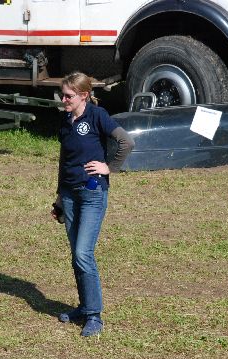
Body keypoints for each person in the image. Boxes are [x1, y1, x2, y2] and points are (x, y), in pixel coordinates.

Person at [51, 72, 134, 337]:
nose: (63, 100)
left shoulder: (98, 116)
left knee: (83, 253)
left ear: (84, 95)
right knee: (77, 254)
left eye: (68, 96)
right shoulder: (65, 119)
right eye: (62, 95)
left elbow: (126, 142)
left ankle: (94, 316)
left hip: (92, 192)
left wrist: (109, 167)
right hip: (69, 194)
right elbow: (64, 160)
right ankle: (85, 306)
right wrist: (59, 198)